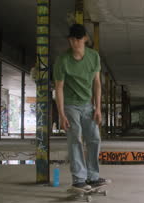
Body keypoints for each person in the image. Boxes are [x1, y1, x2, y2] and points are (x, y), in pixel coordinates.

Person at [54, 24, 109, 190]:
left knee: (94, 139)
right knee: (75, 138)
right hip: (70, 105)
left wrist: (98, 108)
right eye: (71, 39)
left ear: (85, 38)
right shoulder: (62, 60)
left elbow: (97, 84)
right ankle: (79, 179)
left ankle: (93, 177)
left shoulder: (94, 57)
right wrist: (61, 114)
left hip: (87, 105)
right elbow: (59, 88)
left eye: (77, 39)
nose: (74, 43)